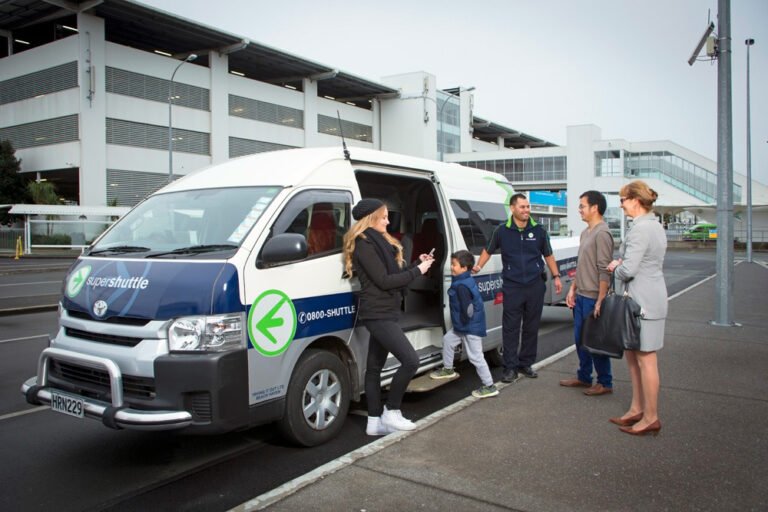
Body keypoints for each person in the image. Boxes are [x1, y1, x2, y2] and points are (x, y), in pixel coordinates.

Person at [343, 198, 434, 436]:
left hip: (385, 311)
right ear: (371, 218)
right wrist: (418, 272)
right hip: (378, 313)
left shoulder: (379, 243)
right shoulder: (365, 245)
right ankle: (391, 411)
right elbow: (384, 281)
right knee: (411, 361)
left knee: (374, 368)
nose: (387, 220)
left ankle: (374, 422)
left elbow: (392, 274)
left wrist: (417, 263)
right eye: (383, 217)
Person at [473, 193, 562, 383]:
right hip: (513, 286)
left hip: (535, 285)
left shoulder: (539, 230)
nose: (526, 210)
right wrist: (479, 266)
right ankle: (510, 368)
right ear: (512, 208)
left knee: (531, 325)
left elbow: (549, 255)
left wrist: (556, 276)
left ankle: (526, 364)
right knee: (511, 327)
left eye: (528, 207)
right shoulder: (501, 231)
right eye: (522, 207)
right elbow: (488, 250)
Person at [606, 180, 667, 436]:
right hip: (641, 300)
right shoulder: (651, 226)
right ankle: (636, 409)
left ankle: (650, 416)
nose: (620, 205)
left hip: (643, 302)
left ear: (635, 200)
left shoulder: (642, 229)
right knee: (634, 358)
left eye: (622, 200)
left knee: (646, 359)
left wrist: (615, 268)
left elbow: (629, 270)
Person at [561, 190, 615, 396]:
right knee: (580, 340)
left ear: (595, 208)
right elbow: (582, 265)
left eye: (582, 206)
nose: (579, 209)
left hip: (593, 296)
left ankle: (605, 382)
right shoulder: (585, 233)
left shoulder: (602, 233)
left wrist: (601, 299)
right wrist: (572, 289)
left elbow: (604, 269)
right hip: (581, 294)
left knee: (595, 341)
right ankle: (584, 377)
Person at [429, 250, 499, 398]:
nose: (451, 267)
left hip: (469, 327)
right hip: (463, 326)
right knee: (448, 340)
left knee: (476, 357)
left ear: (464, 268)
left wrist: (465, 327)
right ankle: (448, 369)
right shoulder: (463, 280)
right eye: (451, 264)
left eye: (454, 265)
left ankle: (489, 385)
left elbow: (468, 310)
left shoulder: (461, 286)